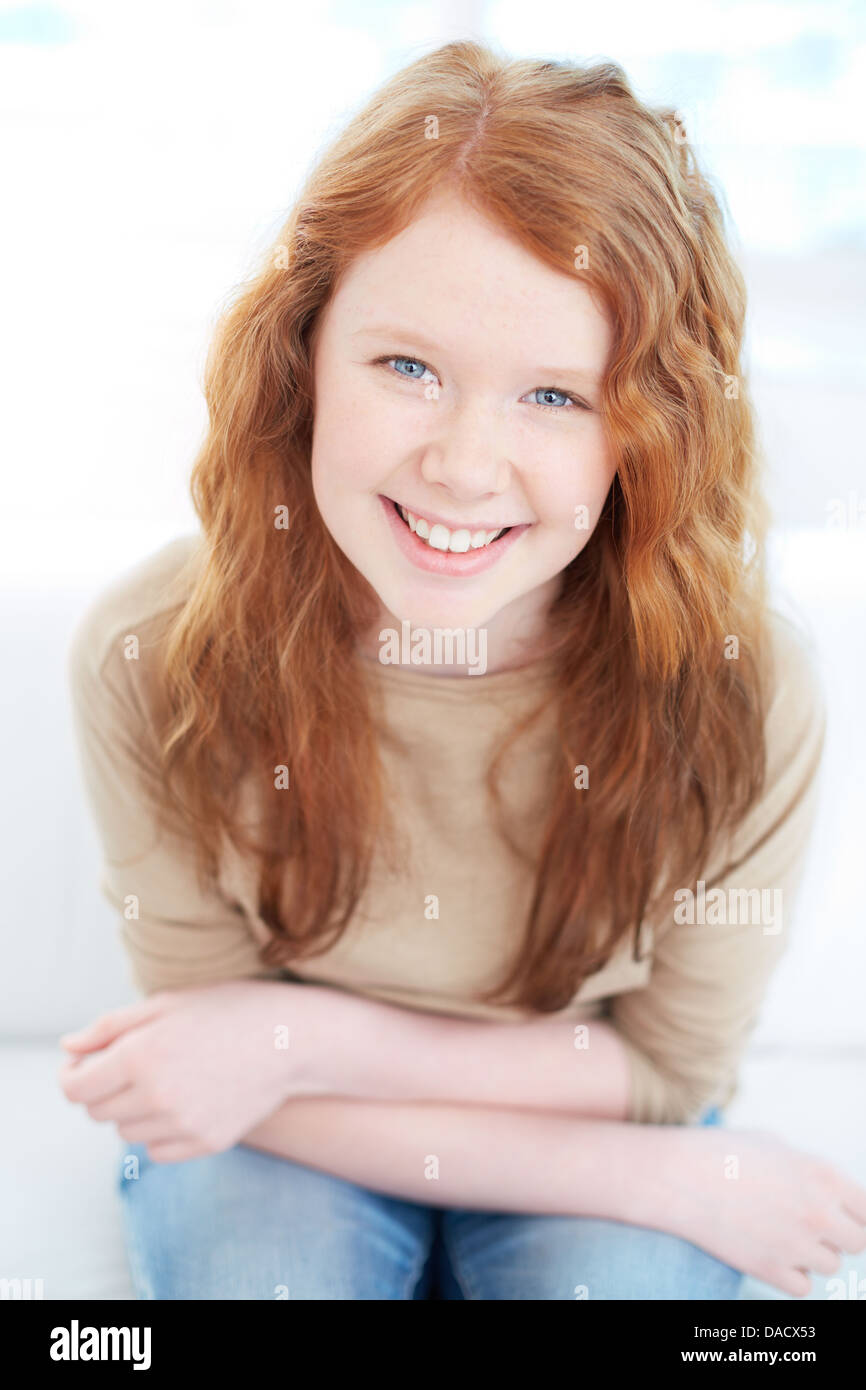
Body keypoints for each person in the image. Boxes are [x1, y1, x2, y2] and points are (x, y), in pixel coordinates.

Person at [60, 39, 865, 1301]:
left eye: (555, 394)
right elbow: (195, 1065)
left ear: (647, 431)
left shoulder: (740, 685)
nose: (464, 464)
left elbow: (663, 1066)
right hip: (288, 1135)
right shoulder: (151, 650)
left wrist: (299, 1036)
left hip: (447, 1099)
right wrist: (660, 1180)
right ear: (301, 356)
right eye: (407, 367)